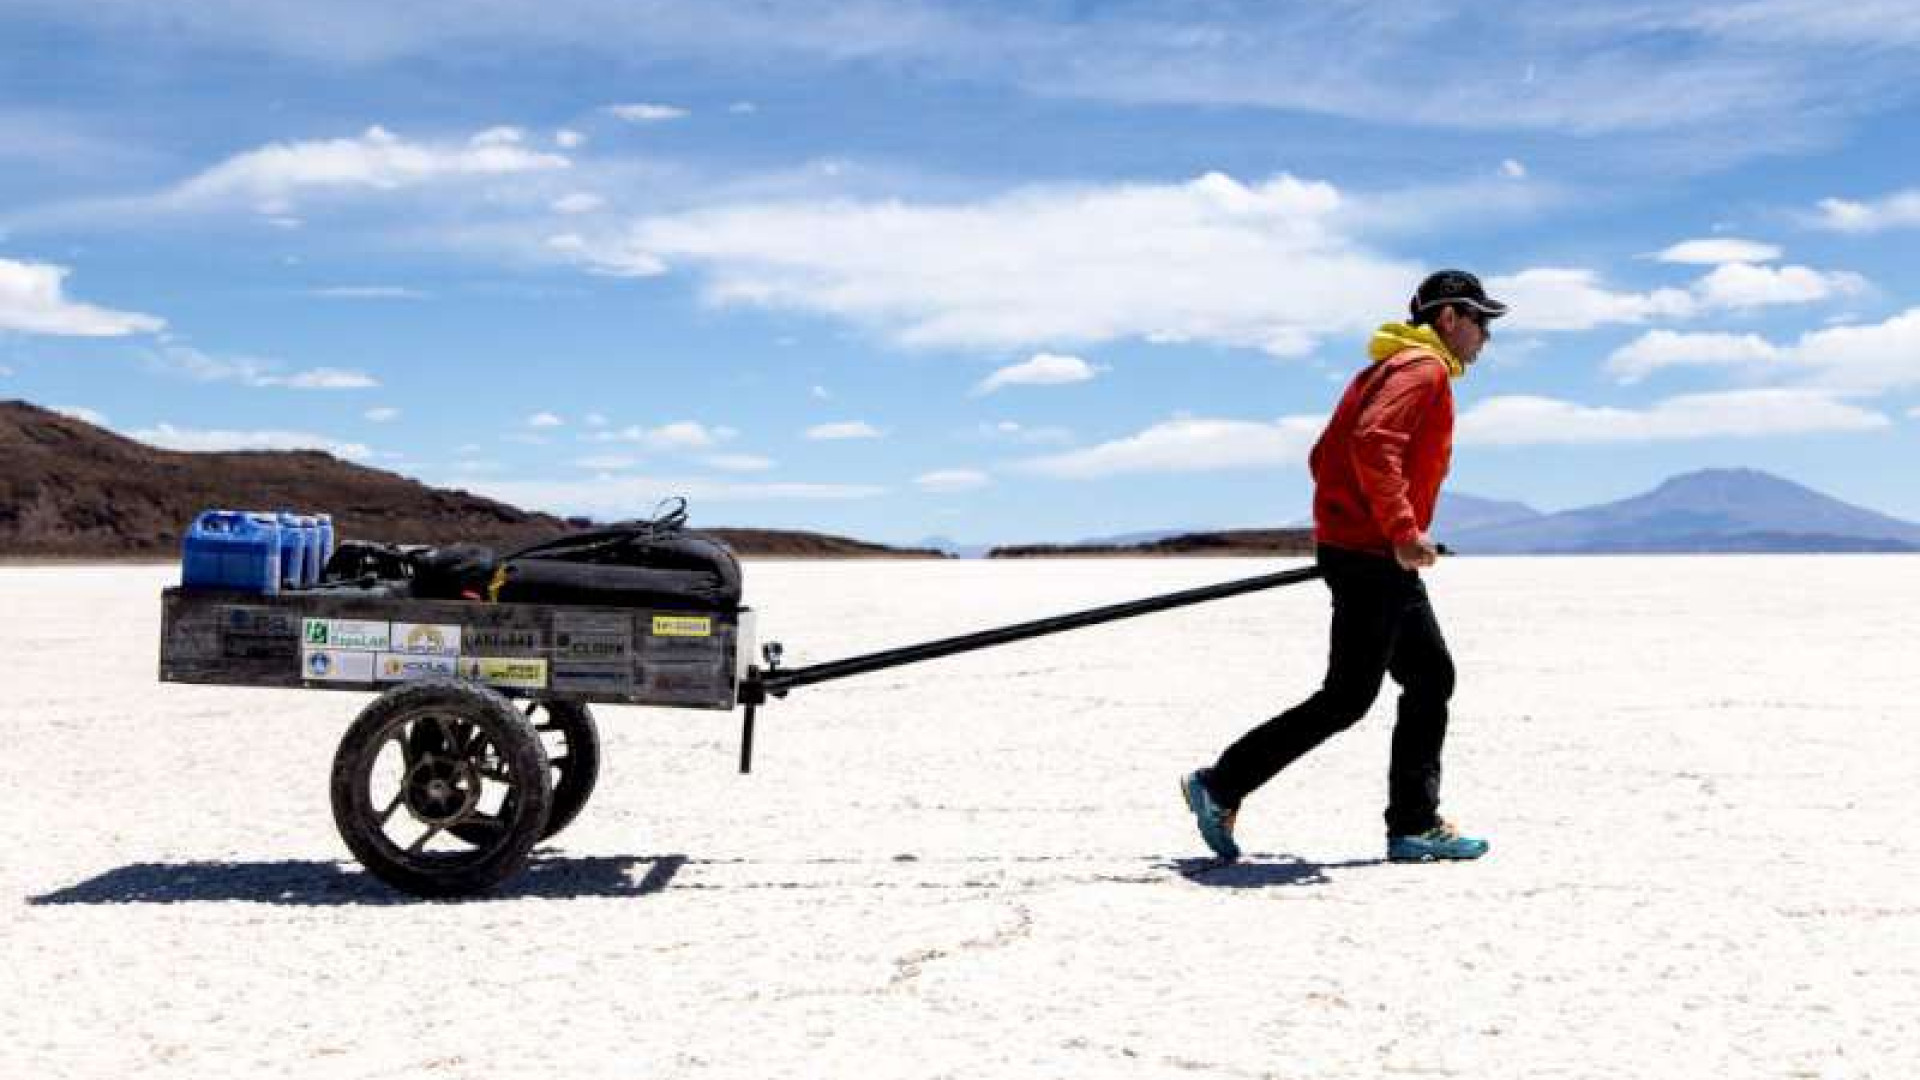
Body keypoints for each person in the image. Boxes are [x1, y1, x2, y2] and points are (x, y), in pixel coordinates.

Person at [1181, 269, 1506, 864]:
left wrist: (1364, 523)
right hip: (1372, 556)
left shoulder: (1387, 368)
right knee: (1347, 697)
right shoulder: (1422, 370)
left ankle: (1414, 823)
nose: (1486, 336)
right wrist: (1400, 531)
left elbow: (1325, 455)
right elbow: (1372, 442)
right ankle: (1222, 783)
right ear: (1449, 318)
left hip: (1370, 552)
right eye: (1480, 321)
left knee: (1429, 676)